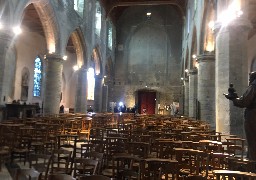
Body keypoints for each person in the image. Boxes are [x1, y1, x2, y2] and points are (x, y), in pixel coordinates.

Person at [225, 71, 256, 160]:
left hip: (253, 116)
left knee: (252, 140)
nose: (249, 80)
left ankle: (253, 165)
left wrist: (233, 98)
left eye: (250, 78)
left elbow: (244, 101)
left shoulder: (254, 86)